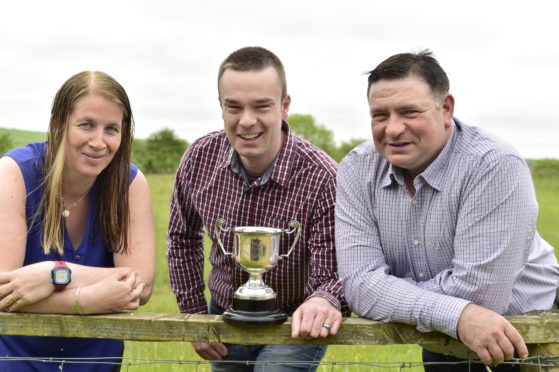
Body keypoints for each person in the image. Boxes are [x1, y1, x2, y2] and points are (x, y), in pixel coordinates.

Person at [335, 50, 559, 372]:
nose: (393, 129)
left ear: (446, 109)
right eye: (380, 115)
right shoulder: (357, 170)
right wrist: (456, 313)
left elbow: (480, 296)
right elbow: (358, 286)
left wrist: (389, 292)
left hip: (530, 338)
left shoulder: (493, 165)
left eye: (409, 111)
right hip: (451, 334)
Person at [167, 46, 349, 371]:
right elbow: (182, 238)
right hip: (224, 310)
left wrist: (324, 300)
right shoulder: (198, 160)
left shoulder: (323, 176)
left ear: (285, 106)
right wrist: (194, 314)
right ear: (221, 107)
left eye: (261, 106)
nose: (247, 121)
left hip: (298, 316)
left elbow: (333, 271)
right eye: (233, 107)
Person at [0, 71, 156, 372]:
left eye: (111, 129)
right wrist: (89, 299)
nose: (99, 142)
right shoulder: (14, 174)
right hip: (14, 360)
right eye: (86, 125)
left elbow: (140, 286)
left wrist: (56, 273)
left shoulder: (129, 184)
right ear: (58, 124)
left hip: (96, 362)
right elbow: (4, 290)